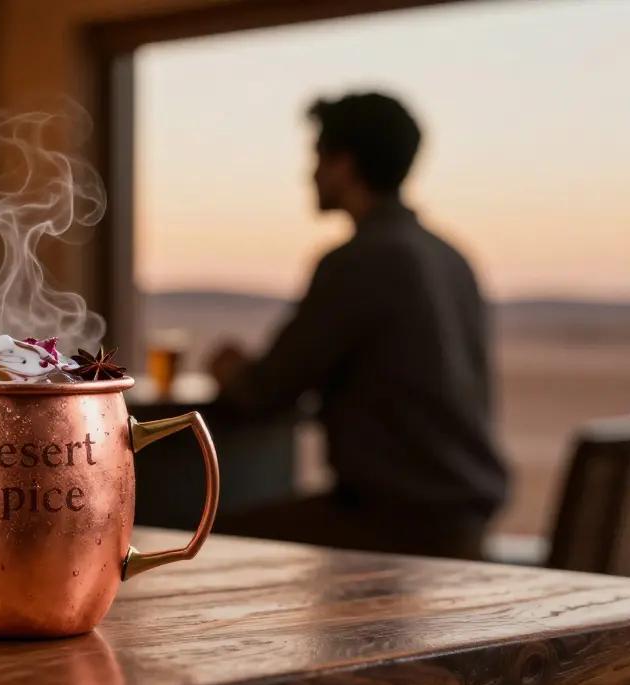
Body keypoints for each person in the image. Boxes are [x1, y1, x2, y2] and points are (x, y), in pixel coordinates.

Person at [208, 91, 508, 560]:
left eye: (318, 158)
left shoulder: (361, 260)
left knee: (202, 543)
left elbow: (266, 391)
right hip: (463, 526)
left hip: (395, 529)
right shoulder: (451, 258)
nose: (309, 174)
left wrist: (228, 369)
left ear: (345, 163)